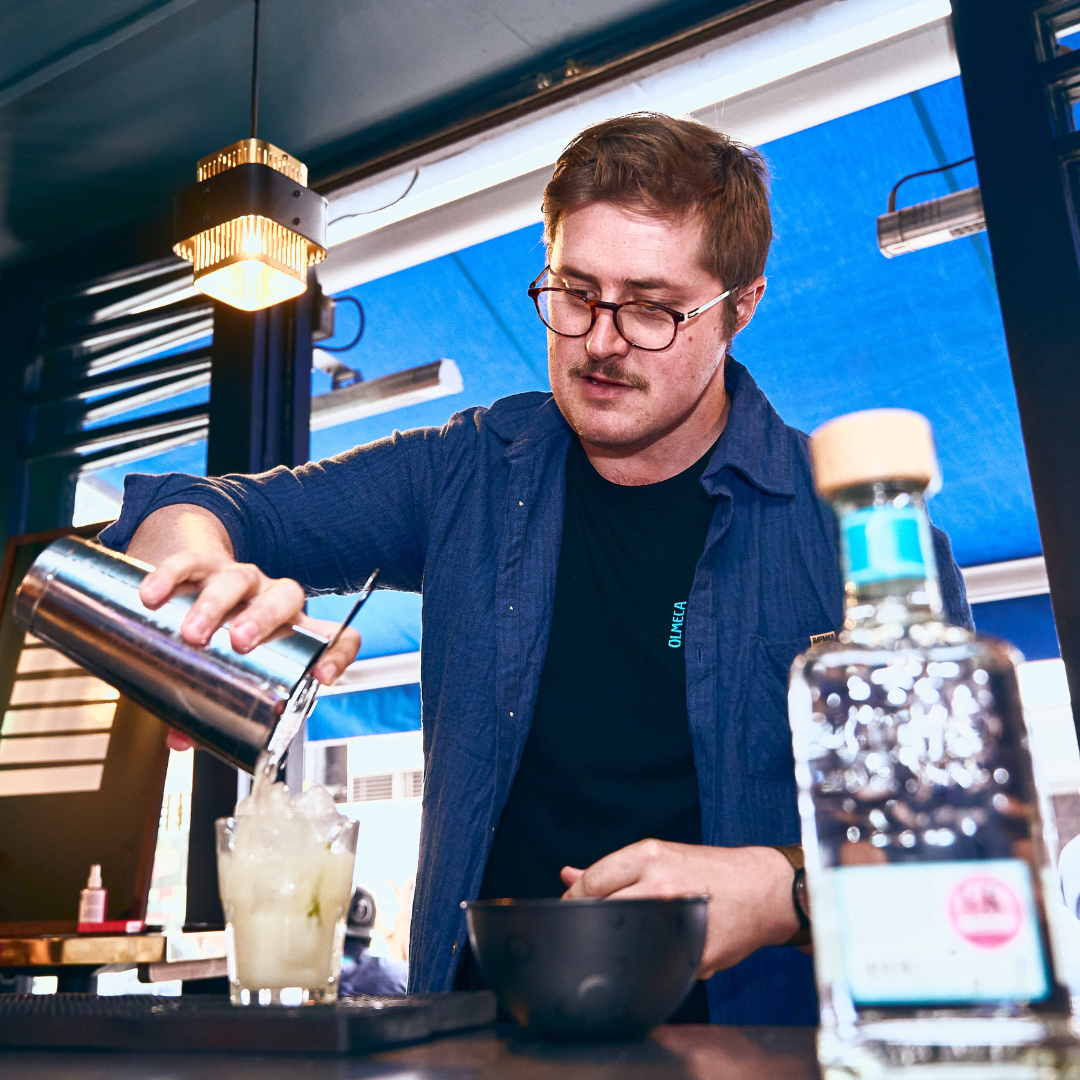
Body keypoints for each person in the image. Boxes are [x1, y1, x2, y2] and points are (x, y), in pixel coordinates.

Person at [100, 112, 972, 1024]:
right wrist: (193, 585)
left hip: (755, 1051)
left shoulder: (863, 542)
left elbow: (953, 859)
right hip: (477, 1040)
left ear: (740, 306)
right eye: (574, 292)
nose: (600, 341)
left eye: (650, 307)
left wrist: (783, 892)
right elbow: (194, 507)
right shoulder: (468, 472)